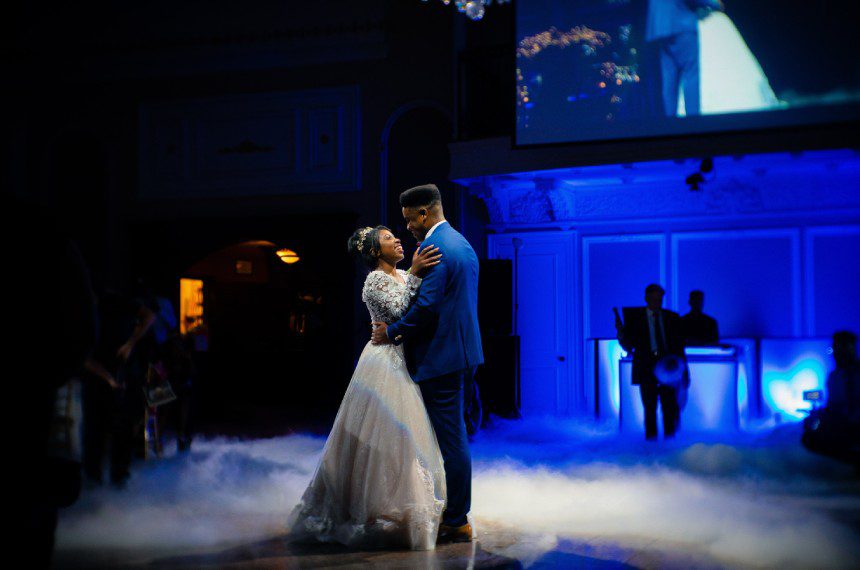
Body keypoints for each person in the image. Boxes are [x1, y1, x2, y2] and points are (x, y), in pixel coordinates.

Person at [289, 226, 445, 550]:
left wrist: (415, 275)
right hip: (385, 361)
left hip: (406, 357)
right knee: (388, 436)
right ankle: (377, 510)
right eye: (389, 238)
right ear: (375, 252)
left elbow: (421, 311)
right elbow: (402, 310)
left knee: (410, 437)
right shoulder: (374, 279)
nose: (398, 240)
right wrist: (415, 272)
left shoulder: (402, 273)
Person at [371, 183, 484, 543]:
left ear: (423, 213)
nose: (407, 228)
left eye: (409, 219)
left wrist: (393, 333)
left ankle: (457, 519)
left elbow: (427, 307)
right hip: (464, 354)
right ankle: (454, 512)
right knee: (456, 438)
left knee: (452, 443)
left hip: (442, 358)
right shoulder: (461, 243)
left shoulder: (434, 248)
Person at [616, 284, 687, 440]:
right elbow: (629, 346)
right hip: (646, 368)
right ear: (646, 298)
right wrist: (621, 334)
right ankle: (652, 445)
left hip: (667, 368)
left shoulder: (672, 318)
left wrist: (684, 372)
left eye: (659, 298)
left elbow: (679, 347)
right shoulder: (636, 319)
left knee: (669, 409)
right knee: (650, 409)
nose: (657, 302)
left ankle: (669, 443)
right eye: (654, 298)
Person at [802, 331, 860, 466]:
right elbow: (832, 405)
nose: (836, 353)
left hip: (852, 425)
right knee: (810, 436)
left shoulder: (853, 375)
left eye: (842, 348)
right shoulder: (834, 377)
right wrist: (818, 414)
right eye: (835, 348)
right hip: (842, 425)